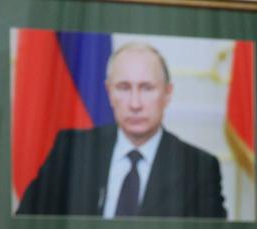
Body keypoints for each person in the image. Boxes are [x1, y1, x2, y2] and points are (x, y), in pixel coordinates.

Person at [17, 42, 227, 219]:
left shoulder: (199, 167)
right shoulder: (71, 150)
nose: (135, 103)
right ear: (109, 92)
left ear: (167, 94)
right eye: (124, 88)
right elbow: (26, 225)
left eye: (147, 88)